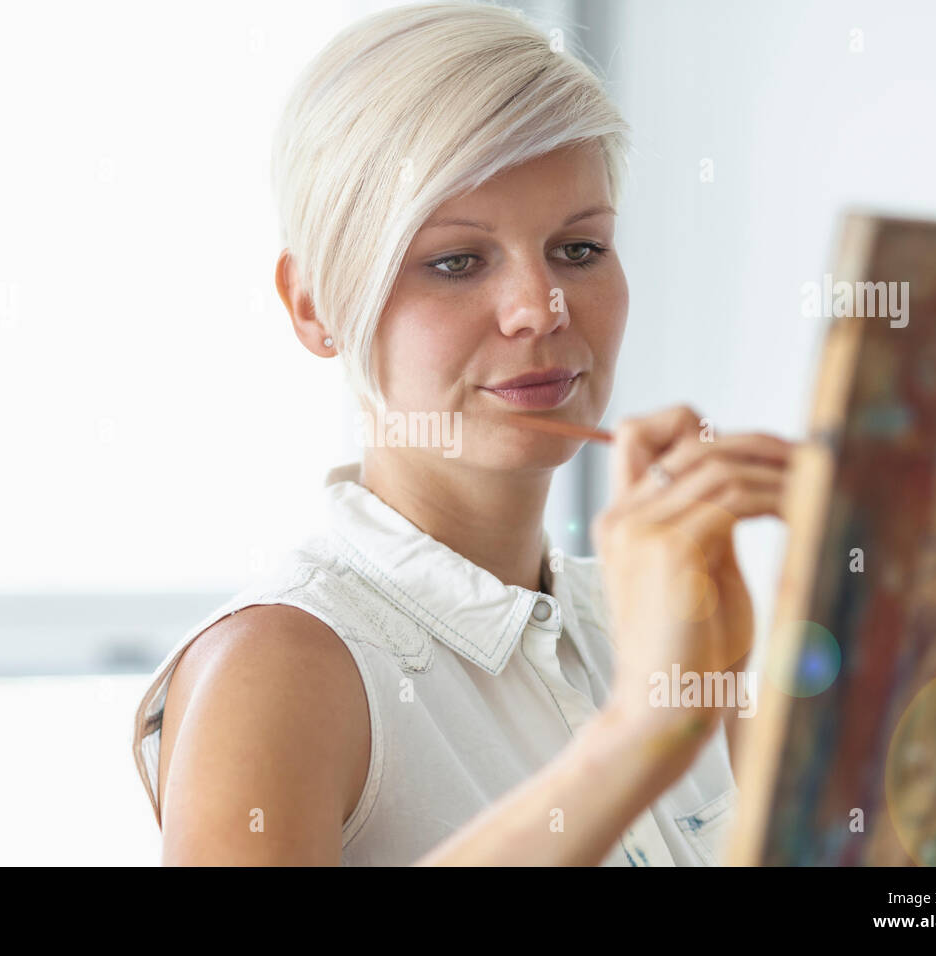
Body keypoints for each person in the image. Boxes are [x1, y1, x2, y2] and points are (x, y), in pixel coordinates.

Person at [131, 0, 792, 865]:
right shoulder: (277, 668)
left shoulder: (652, 620)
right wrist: (639, 737)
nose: (539, 309)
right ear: (315, 306)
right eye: (456, 261)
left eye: (580, 249)